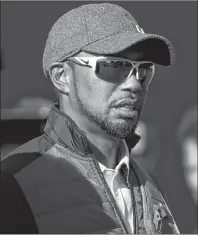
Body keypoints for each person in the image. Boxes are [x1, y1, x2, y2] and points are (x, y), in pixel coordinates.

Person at [1, 3, 180, 234]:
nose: (134, 84)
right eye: (114, 66)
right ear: (62, 76)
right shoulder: (13, 182)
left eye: (143, 69)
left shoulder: (152, 188)